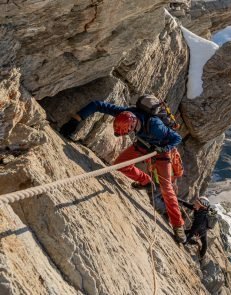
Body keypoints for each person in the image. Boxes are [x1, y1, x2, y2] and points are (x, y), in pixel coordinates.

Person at [59, 95, 186, 242]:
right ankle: (146, 182)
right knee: (121, 164)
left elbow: (177, 138)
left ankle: (178, 226)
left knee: (166, 187)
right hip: (144, 144)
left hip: (161, 151)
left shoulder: (156, 126)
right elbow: (97, 104)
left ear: (132, 126)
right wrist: (77, 119)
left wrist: (164, 148)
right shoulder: (126, 113)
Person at [178, 196, 211, 260]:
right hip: (200, 229)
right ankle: (201, 255)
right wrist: (177, 199)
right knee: (205, 244)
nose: (195, 203)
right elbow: (188, 204)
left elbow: (192, 232)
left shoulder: (200, 218)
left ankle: (200, 256)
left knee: (204, 244)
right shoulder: (199, 209)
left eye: (197, 203)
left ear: (201, 206)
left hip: (200, 231)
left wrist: (184, 242)